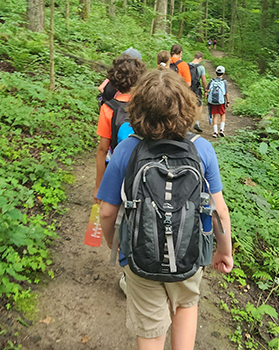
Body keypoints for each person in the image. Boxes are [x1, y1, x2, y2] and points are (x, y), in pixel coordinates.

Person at [97, 69, 234, 350]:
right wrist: (223, 250)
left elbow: (107, 212)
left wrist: (117, 245)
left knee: (150, 328)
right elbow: (219, 210)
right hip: (188, 254)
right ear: (187, 106)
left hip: (140, 257)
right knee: (185, 306)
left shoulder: (127, 150)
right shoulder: (202, 149)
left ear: (138, 110)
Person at [93, 52, 146, 203]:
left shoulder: (108, 108)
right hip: (144, 167)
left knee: (109, 213)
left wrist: (98, 188)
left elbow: (102, 151)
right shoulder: (147, 105)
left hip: (118, 168)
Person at [206, 65, 230, 138]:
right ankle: (221, 130)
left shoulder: (211, 81)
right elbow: (226, 93)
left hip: (213, 101)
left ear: (215, 72)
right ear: (223, 73)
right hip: (221, 101)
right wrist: (227, 102)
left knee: (215, 115)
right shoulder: (224, 82)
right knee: (222, 114)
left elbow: (207, 90)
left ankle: (215, 132)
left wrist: (208, 99)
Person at [189, 51, 207, 133]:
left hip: (188, 88)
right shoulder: (201, 68)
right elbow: (203, 80)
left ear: (194, 57)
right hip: (197, 89)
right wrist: (205, 89)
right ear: (200, 58)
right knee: (199, 105)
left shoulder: (186, 65)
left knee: (188, 105)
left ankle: (188, 122)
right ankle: (196, 123)